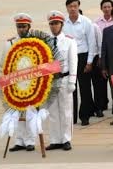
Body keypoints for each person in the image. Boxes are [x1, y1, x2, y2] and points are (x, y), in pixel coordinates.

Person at [4, 13, 37, 152]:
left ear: (29, 27)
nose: (21, 29)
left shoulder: (36, 43)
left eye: (24, 26)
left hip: (31, 83)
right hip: (15, 84)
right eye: (19, 27)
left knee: (30, 113)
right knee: (17, 114)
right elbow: (5, 64)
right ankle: (20, 140)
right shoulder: (10, 43)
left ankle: (30, 140)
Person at [63, 0, 98, 126]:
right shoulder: (63, 23)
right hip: (68, 58)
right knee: (70, 87)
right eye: (70, 6)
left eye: (75, 6)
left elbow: (92, 43)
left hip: (83, 57)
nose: (72, 8)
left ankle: (85, 115)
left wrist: (89, 62)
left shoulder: (86, 22)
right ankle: (72, 117)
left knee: (85, 87)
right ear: (66, 8)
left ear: (78, 7)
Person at [45, 11, 78, 151]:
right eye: (51, 24)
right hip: (50, 81)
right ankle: (55, 139)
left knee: (65, 110)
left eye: (56, 23)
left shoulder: (69, 40)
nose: (54, 26)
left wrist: (72, 80)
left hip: (64, 79)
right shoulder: (45, 41)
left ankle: (66, 139)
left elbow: (73, 61)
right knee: (52, 111)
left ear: (61, 25)